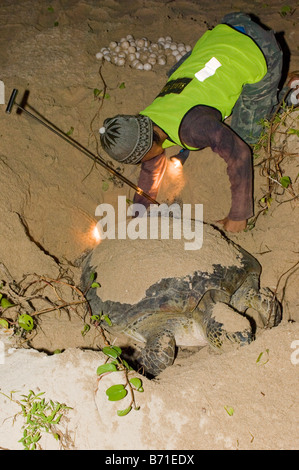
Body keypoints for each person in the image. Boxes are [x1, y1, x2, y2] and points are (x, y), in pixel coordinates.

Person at [99, 12, 299, 233]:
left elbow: (240, 153)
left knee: (249, 137)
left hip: (260, 49)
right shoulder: (150, 118)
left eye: (139, 159)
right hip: (226, 28)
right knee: (175, 73)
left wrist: (238, 215)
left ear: (147, 146)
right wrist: (138, 212)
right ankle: (240, 85)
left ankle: (289, 94)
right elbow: (151, 166)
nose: (142, 163)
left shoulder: (193, 127)